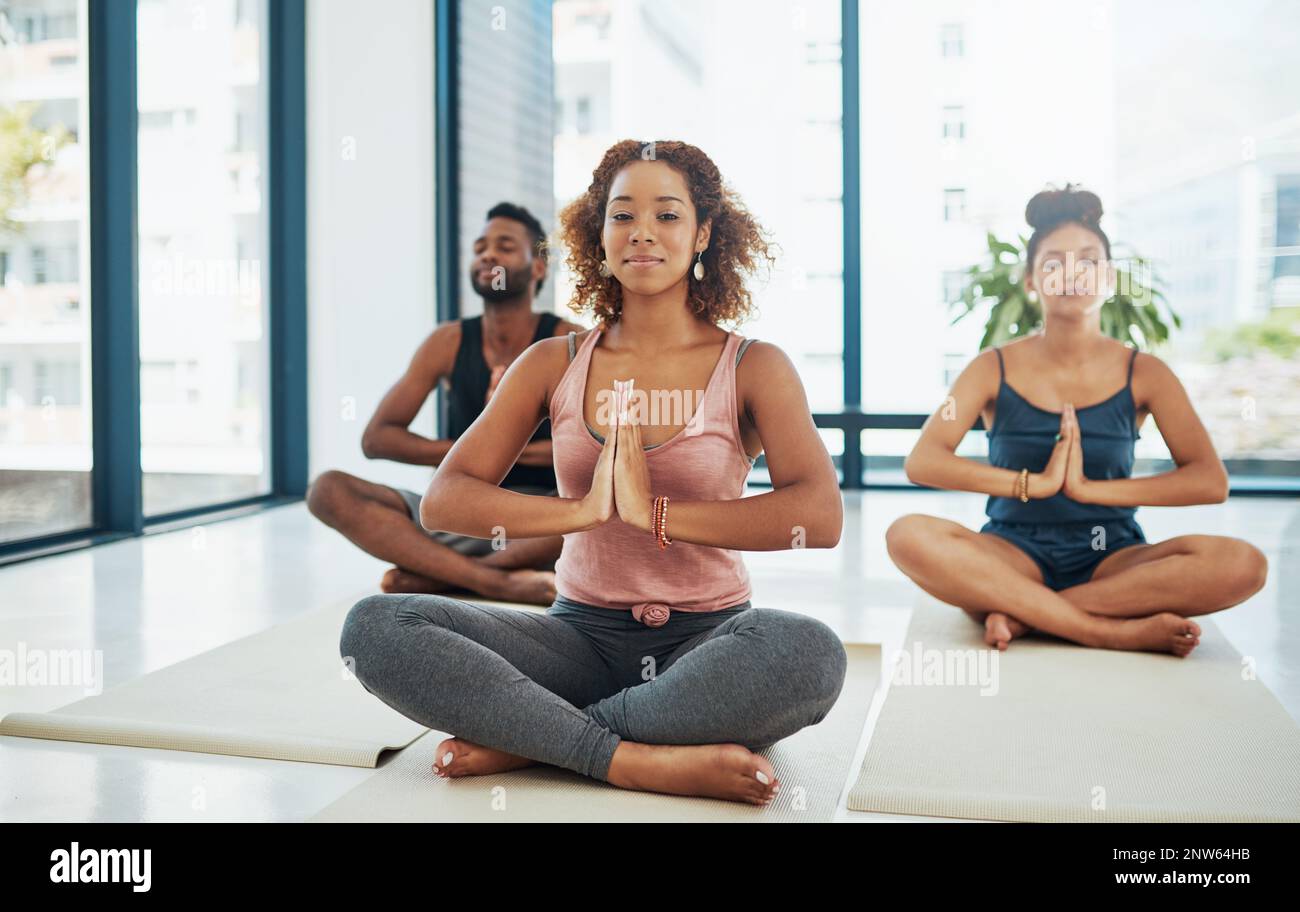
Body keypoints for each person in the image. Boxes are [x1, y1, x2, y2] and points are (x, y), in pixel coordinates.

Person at [339, 140, 848, 806]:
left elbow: (819, 515)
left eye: (667, 215)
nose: (641, 231)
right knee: (374, 629)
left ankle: (534, 741)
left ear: (704, 235)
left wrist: (654, 514)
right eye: (621, 215)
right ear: (598, 236)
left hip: (710, 642)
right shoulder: (554, 361)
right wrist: (580, 511)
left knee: (810, 652)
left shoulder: (755, 366)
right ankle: (633, 758)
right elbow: (445, 501)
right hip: (577, 641)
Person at [886, 184, 1269, 655]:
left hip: (1113, 555)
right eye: (1053, 263)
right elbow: (923, 461)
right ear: (1030, 281)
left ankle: (1024, 614)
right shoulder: (991, 366)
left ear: (1108, 276)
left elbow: (1210, 481)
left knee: (1242, 564)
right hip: (1011, 553)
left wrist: (1091, 490)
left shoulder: (1146, 372)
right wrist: (1034, 484)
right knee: (906, 535)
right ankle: (1104, 629)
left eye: (1087, 260)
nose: (1071, 273)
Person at [307, 203, 584, 605]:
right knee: (326, 490)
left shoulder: (569, 341)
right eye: (480, 247)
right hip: (455, 513)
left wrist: (507, 450)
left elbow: (596, 449)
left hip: (537, 521)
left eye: (504, 246)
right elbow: (378, 439)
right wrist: (474, 454)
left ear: (538, 267)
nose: (487, 255)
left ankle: (437, 575)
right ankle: (493, 582)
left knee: (602, 513)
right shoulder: (448, 342)